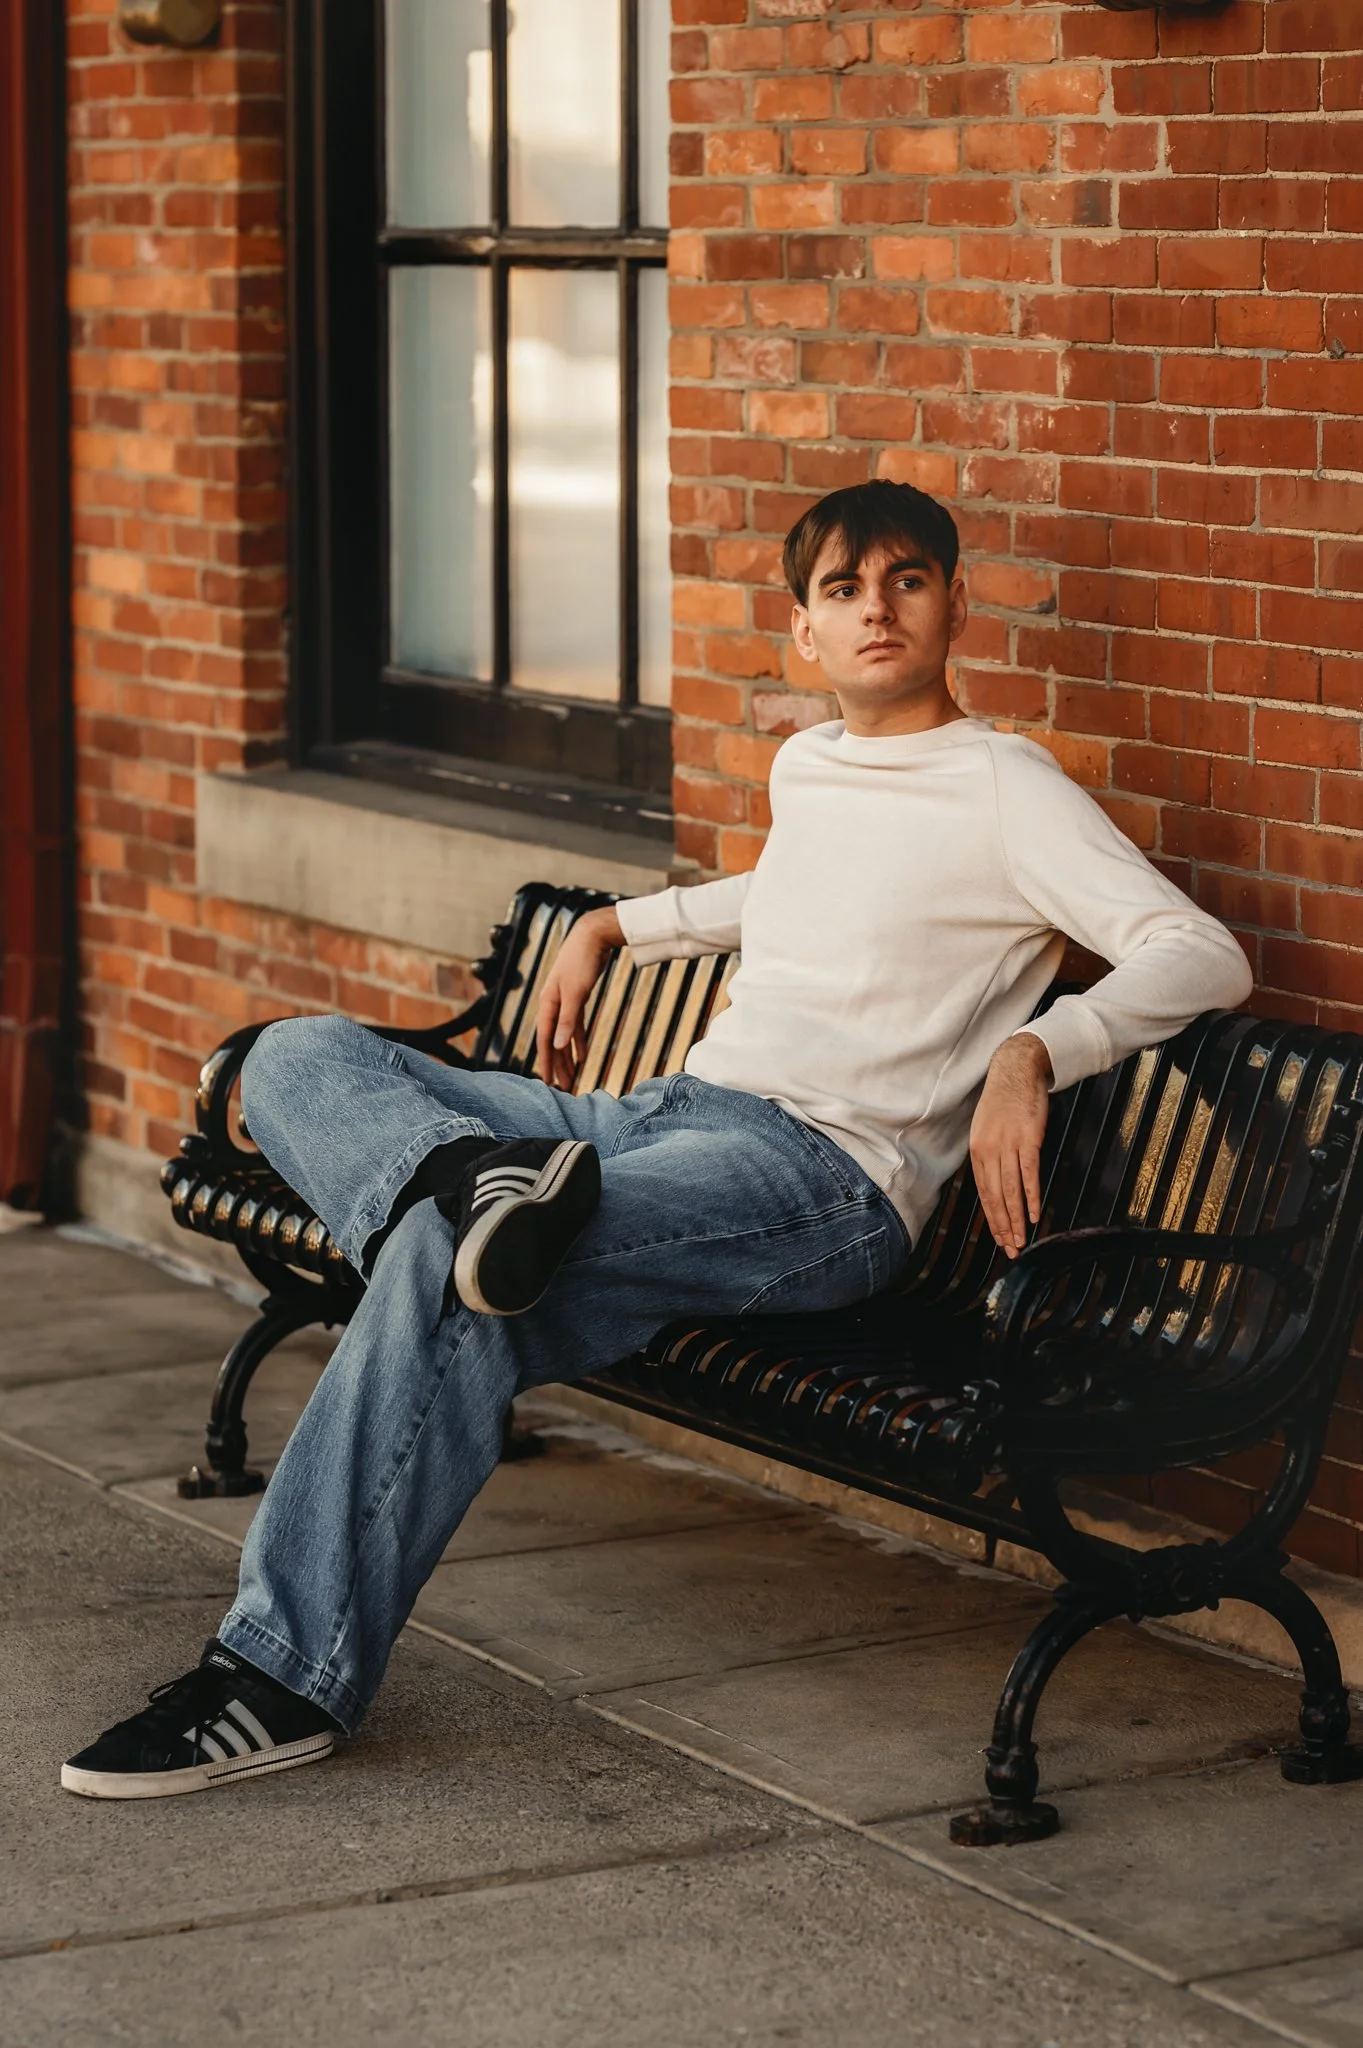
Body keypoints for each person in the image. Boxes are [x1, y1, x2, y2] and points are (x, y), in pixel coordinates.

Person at [62, 479, 1252, 1799]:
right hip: (656, 1119)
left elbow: (1198, 950)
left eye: (906, 581)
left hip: (817, 1176)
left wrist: (1039, 1049)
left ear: (955, 606)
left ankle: (279, 1675)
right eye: (844, 589)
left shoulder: (1005, 786)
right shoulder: (812, 764)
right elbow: (801, 892)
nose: (876, 610)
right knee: (294, 1055)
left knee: (449, 1267)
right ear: (802, 630)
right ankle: (471, 1180)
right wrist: (617, 926)